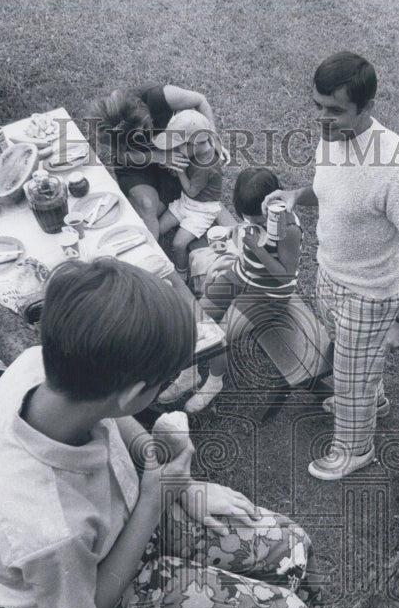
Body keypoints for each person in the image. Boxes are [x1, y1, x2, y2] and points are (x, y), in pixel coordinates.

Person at [0, 258, 317, 608]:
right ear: (132, 393)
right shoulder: (50, 528)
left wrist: (172, 477)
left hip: (124, 514)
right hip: (93, 582)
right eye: (166, 382)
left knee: (293, 546)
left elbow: (110, 413)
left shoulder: (41, 367)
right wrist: (156, 498)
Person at [263, 51, 399, 481]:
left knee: (351, 376)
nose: (321, 118)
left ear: (367, 107)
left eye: (335, 110)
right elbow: (333, 191)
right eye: (317, 105)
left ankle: (354, 449)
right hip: (331, 274)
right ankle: (371, 399)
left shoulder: (397, 169)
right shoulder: (333, 135)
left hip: (370, 293)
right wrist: (297, 194)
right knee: (353, 366)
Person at [159, 167, 303, 413]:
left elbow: (285, 276)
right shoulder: (254, 212)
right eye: (248, 217)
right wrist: (233, 235)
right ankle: (189, 373)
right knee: (196, 317)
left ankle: (215, 382)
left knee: (219, 335)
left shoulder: (287, 228)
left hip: (267, 294)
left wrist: (256, 250)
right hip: (240, 274)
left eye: (257, 219)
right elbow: (247, 233)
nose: (253, 222)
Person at [87, 84, 228, 239]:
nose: (146, 134)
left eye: (145, 128)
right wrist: (156, 156)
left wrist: (212, 137)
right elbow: (122, 157)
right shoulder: (110, 130)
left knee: (155, 210)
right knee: (146, 206)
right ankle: (152, 252)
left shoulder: (160, 97)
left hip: (173, 151)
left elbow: (200, 100)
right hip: (137, 161)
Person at [152, 109, 226, 281]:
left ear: (196, 143)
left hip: (202, 209)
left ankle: (182, 273)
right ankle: (159, 259)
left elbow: (192, 191)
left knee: (178, 244)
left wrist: (179, 171)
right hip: (186, 202)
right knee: (158, 228)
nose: (177, 149)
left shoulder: (206, 165)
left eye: (180, 145)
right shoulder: (197, 150)